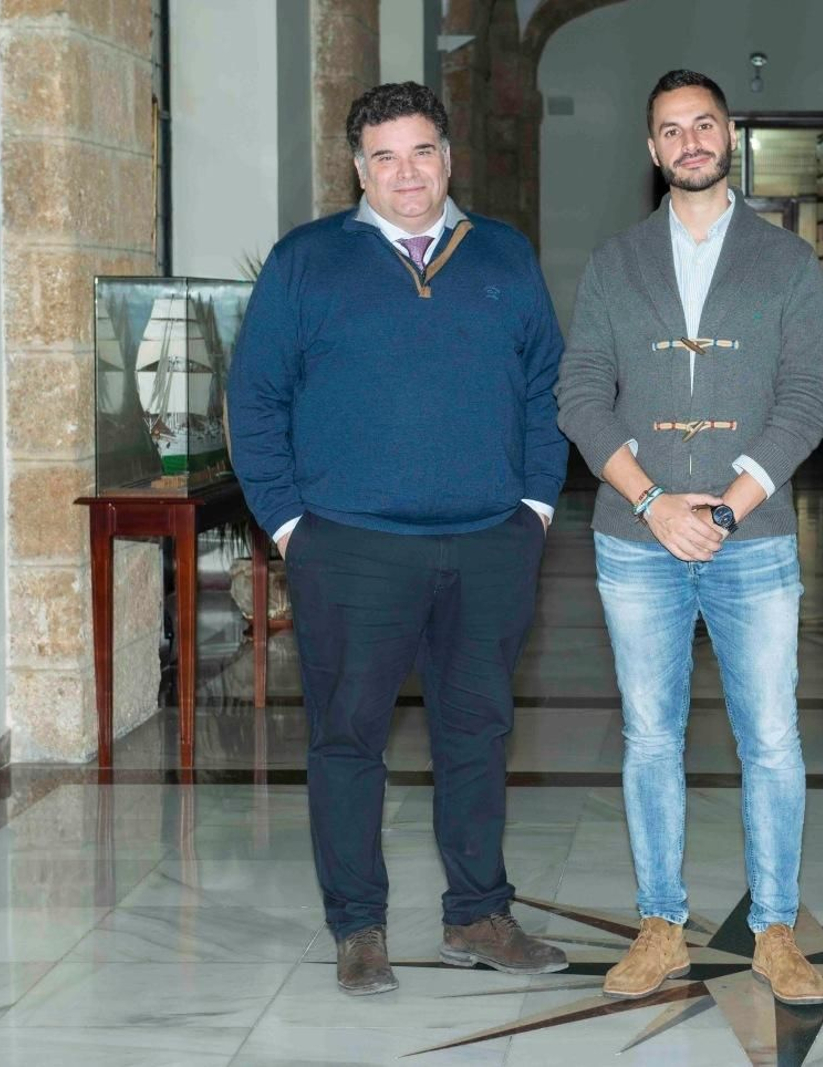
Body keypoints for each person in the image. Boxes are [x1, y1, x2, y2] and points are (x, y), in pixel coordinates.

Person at [228, 81, 569, 996]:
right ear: (358, 168)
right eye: (384, 156)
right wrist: (293, 525)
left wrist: (534, 507)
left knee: (477, 731)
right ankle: (358, 927)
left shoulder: (502, 253)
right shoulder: (306, 261)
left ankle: (478, 913)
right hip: (351, 547)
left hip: (490, 542)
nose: (406, 172)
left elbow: (547, 388)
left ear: (449, 157)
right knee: (348, 740)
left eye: (421, 152)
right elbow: (254, 399)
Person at [556, 69, 823, 1006]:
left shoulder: (788, 263)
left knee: (772, 739)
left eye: (704, 124)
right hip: (636, 539)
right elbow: (581, 395)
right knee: (649, 738)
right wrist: (653, 503)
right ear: (651, 150)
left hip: (749, 539)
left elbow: (809, 398)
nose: (689, 141)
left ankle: (779, 930)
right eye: (670, 130)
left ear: (730, 137)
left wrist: (727, 502)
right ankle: (661, 924)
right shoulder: (614, 263)